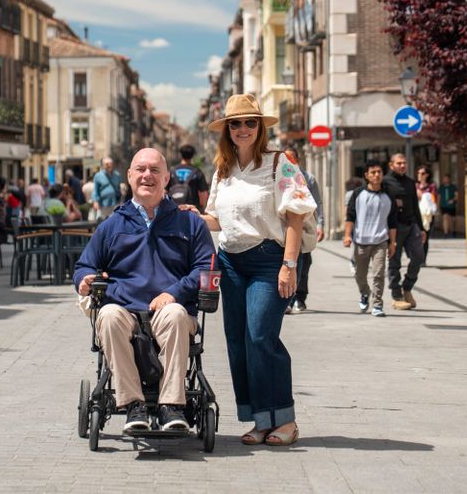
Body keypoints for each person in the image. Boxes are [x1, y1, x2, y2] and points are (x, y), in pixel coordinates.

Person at [189, 93, 316, 447]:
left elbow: (296, 214)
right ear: (226, 130)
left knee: (261, 336)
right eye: (236, 123)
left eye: (250, 122)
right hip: (231, 261)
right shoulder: (222, 170)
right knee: (238, 342)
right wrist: (194, 217)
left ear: (259, 127)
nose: (243, 129)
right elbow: (218, 219)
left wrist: (289, 265)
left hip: (268, 260)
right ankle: (261, 421)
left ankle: (285, 420)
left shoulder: (280, 162)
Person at [74, 148, 215, 432]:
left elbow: (207, 269)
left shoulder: (189, 223)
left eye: (154, 170)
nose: (146, 175)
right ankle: (133, 405)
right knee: (109, 316)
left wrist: (174, 292)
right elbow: (84, 265)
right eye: (140, 169)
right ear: (130, 177)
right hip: (124, 309)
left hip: (171, 309)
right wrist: (84, 279)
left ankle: (171, 406)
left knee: (175, 314)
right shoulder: (113, 224)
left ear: (166, 178)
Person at [343, 161, 397, 317]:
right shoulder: (358, 194)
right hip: (361, 241)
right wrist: (347, 235)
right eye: (373, 172)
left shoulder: (389, 196)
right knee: (360, 275)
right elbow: (350, 216)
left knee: (379, 273)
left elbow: (392, 222)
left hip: (381, 241)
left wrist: (392, 243)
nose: (377, 175)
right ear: (366, 175)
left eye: (379, 172)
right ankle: (365, 293)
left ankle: (377, 304)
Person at [283, 146, 323, 314]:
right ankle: (289, 300)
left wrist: (320, 224)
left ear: (297, 160)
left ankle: (300, 297)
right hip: (286, 230)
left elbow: (318, 203)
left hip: (305, 228)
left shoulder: (308, 178)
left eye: (290, 159)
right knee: (289, 263)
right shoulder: (280, 178)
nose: (287, 162)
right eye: (284, 159)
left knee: (304, 264)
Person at [383, 153, 424, 311]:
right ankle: (396, 295)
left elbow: (415, 205)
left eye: (404, 163)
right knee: (395, 261)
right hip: (394, 227)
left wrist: (421, 228)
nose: (402, 166)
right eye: (399, 163)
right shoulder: (386, 182)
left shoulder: (410, 182)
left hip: (411, 224)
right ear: (391, 165)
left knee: (418, 257)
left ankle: (407, 287)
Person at [167, 144, 209, 212]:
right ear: (192, 156)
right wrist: (204, 210)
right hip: (191, 210)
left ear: (180, 155)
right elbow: (204, 193)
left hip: (173, 210)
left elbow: (164, 191)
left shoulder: (172, 171)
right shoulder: (197, 172)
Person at [416, 166, 437, 258]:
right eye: (419, 173)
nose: (420, 175)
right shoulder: (415, 186)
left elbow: (434, 199)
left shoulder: (431, 186)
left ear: (427, 175)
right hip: (416, 215)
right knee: (416, 237)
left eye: (422, 173)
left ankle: (423, 258)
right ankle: (416, 257)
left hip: (427, 215)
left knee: (425, 237)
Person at [344, 177, 364, 274]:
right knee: (357, 244)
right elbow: (348, 208)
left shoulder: (348, 194)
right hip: (355, 222)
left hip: (354, 222)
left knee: (357, 244)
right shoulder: (354, 194)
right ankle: (353, 261)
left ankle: (356, 262)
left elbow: (346, 209)